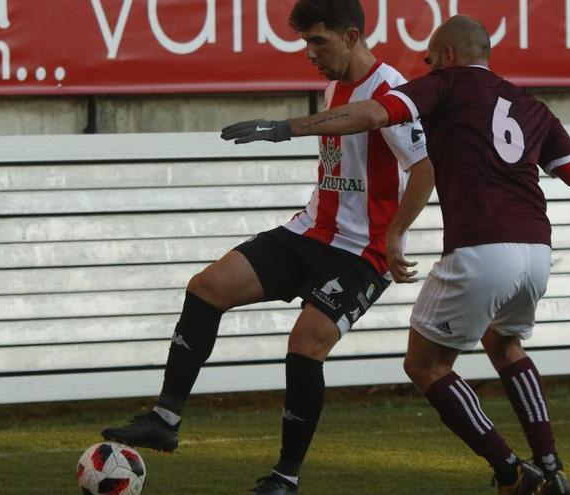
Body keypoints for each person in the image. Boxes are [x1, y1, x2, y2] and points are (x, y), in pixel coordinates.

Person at [222, 14, 570, 495]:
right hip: (536, 252)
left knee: (425, 364)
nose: (426, 65)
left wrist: (285, 127)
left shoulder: (446, 85)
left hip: (481, 249)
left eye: (431, 58)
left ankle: (513, 472)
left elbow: (373, 114)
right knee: (505, 345)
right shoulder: (530, 106)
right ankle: (552, 467)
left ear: (451, 57)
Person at [101, 1, 433, 494]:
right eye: (305, 43)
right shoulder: (333, 86)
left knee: (305, 345)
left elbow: (425, 169)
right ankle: (165, 419)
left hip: (362, 253)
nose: (309, 54)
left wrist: (396, 235)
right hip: (310, 231)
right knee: (207, 286)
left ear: (351, 35)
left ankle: (285, 477)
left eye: (318, 41)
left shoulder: (392, 92)